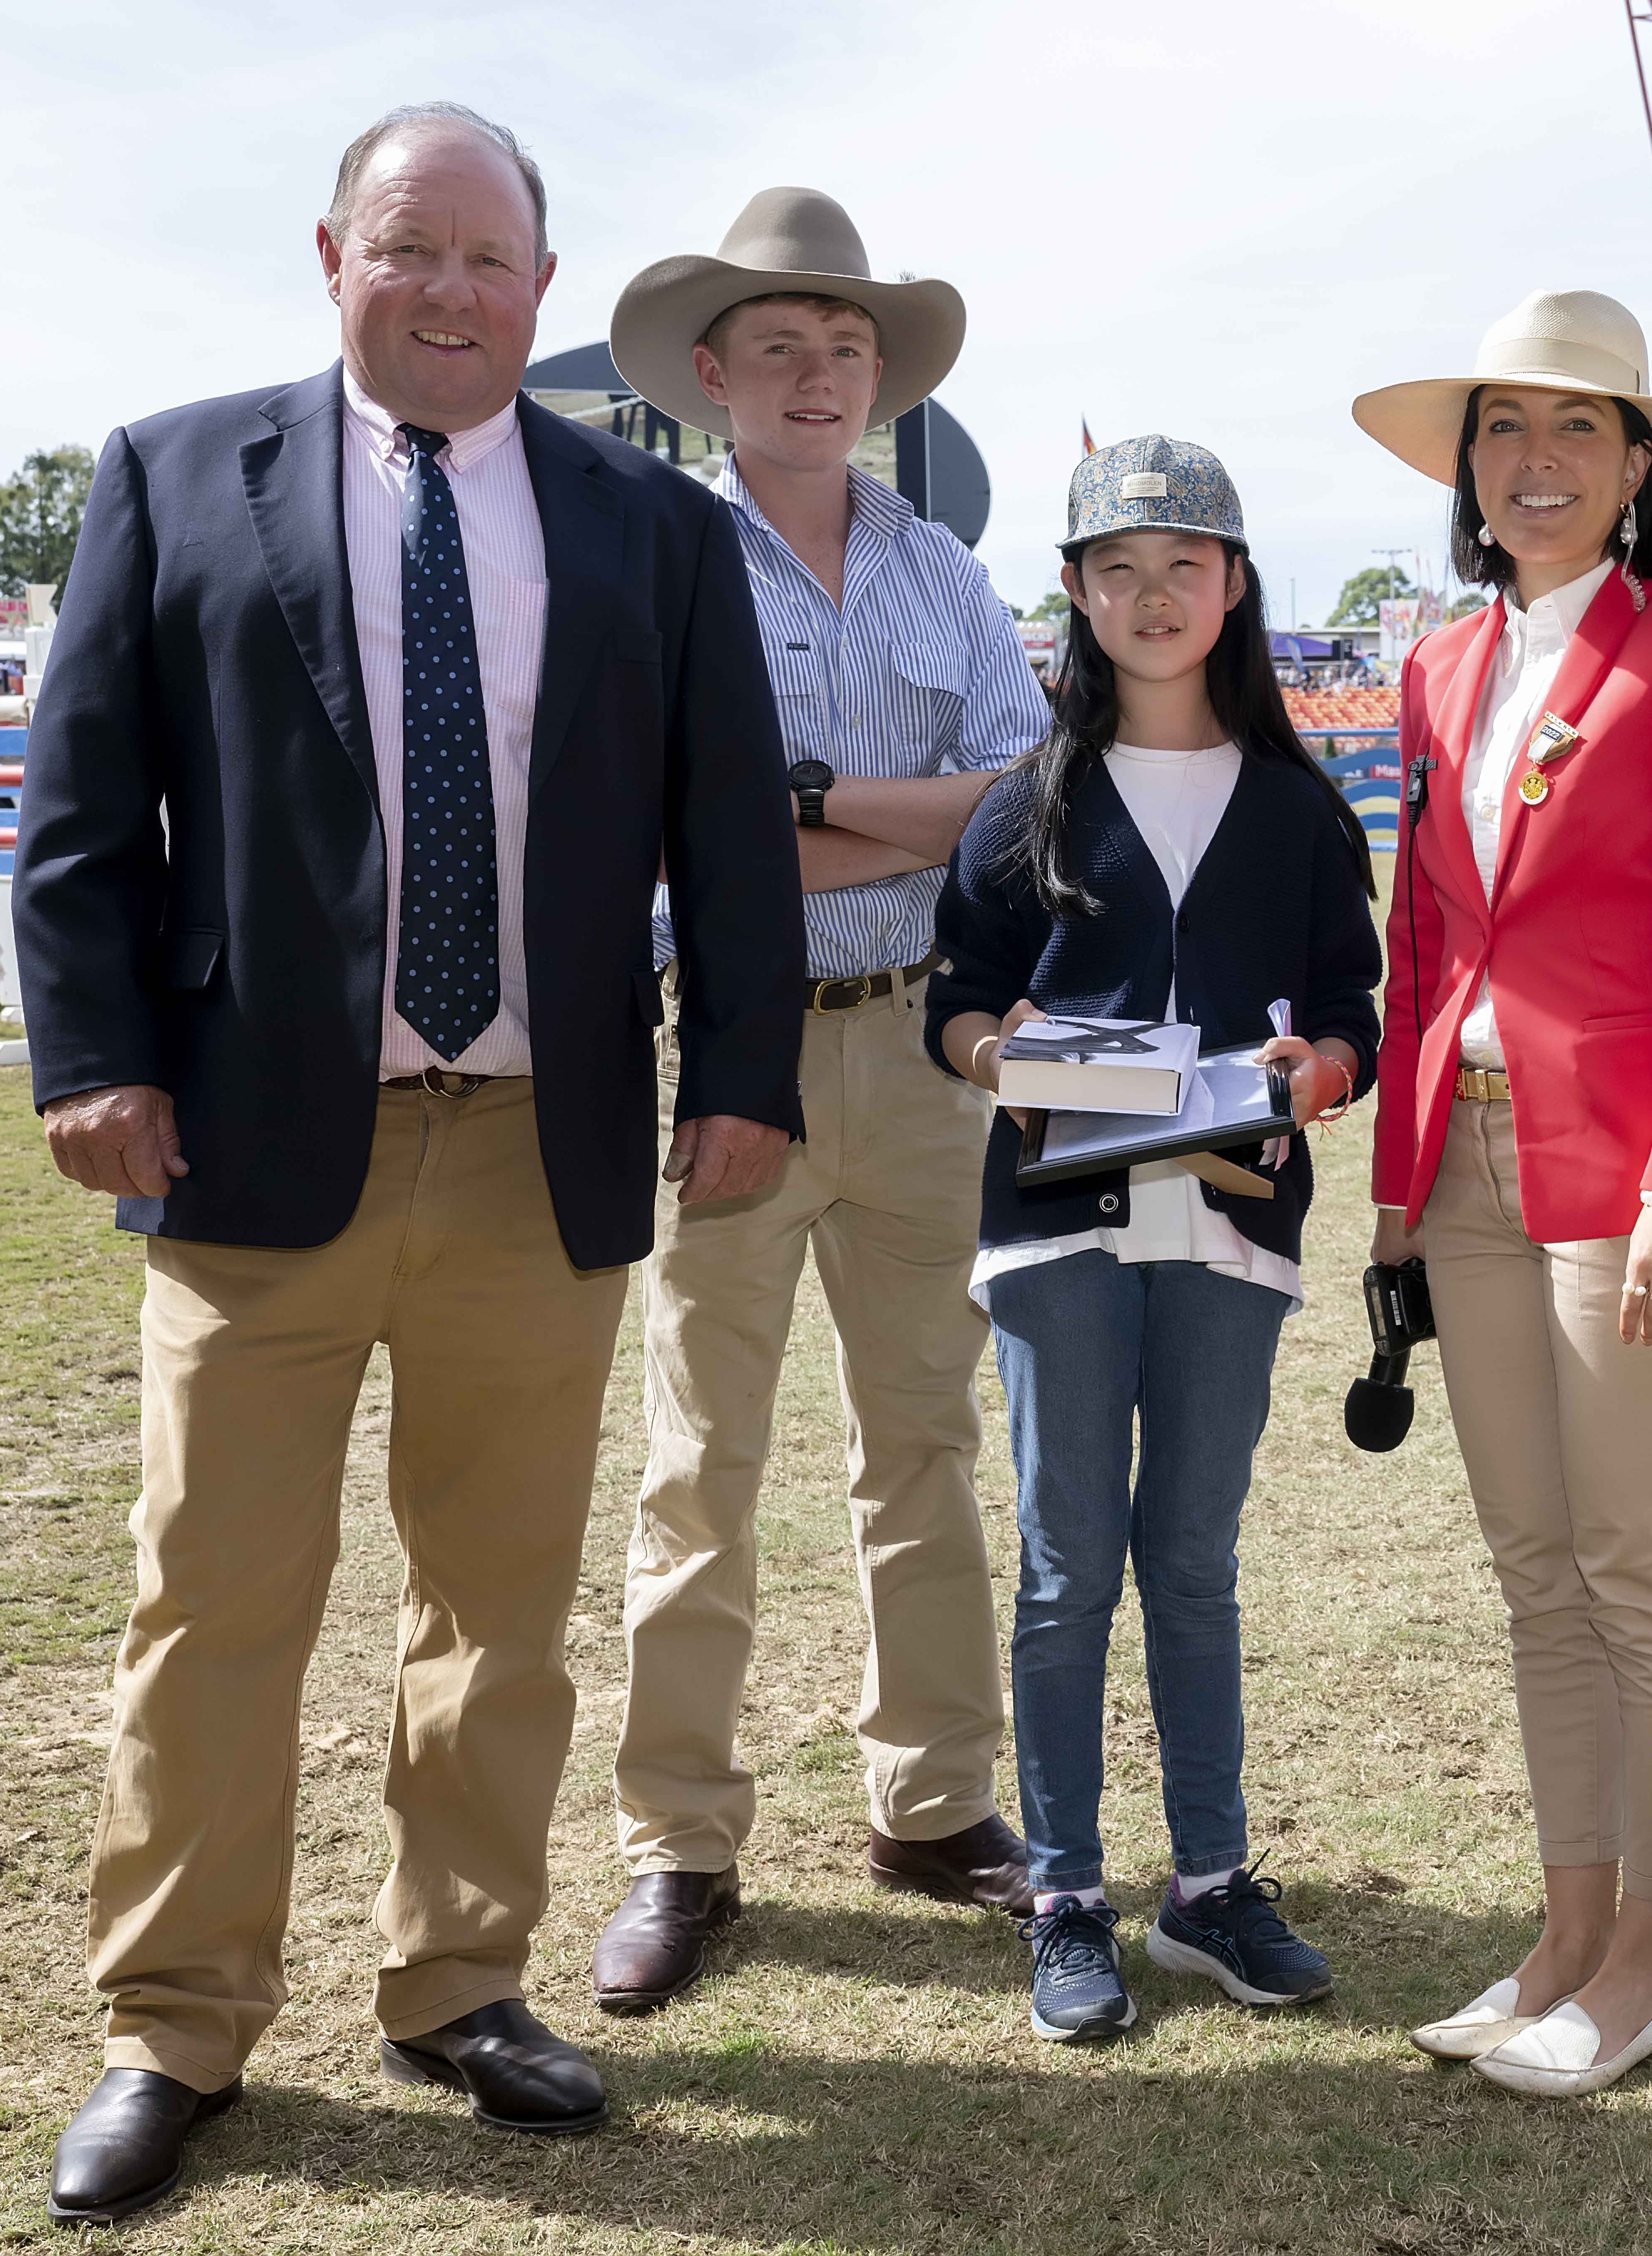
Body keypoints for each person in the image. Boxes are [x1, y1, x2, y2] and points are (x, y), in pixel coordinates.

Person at [11, 104, 804, 2223]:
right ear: (334, 259)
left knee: (500, 1609)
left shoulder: (648, 526)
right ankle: (173, 2023)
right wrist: (87, 1057)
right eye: (407, 249)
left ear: (544, 289)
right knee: (214, 1609)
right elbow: (82, 810)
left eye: (486, 259)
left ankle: (458, 1982)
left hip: (535, 1153)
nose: (447, 291)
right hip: (255, 1153)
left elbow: (728, 839)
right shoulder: (176, 476)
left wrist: (746, 1074)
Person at [585, 188, 1053, 2012]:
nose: (813, 374)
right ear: (712, 377)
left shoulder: (940, 566)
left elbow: (1025, 801)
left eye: (842, 346)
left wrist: (778, 808)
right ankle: (678, 1842)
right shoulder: (655, 558)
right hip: (738, 1043)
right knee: (702, 1460)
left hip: (929, 1044)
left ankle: (931, 1803)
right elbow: (640, 818)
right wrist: (877, 808)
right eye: (777, 346)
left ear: (880, 376)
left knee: (922, 1443)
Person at [1351, 291, 1652, 2097]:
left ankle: (1646, 1958)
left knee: (1636, 1568)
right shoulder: (1438, 668)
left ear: (1633, 473)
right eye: (1502, 431)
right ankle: (1559, 1928)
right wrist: (1389, 1186)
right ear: (1468, 470)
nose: (1534, 463)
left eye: (1575, 431)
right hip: (1461, 1159)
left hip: (1630, 1171)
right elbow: (1424, 940)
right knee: (1538, 1574)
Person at [926, 437, 1380, 2043]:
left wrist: (1317, 1072)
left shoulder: (1300, 811)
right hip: (1057, 1226)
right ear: (1074, 596)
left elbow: (1349, 1013)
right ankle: (1066, 1892)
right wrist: (1009, 1057)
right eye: (1117, 568)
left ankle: (1206, 1885)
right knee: (1067, 1568)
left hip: (1234, 1220)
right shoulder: (1023, 804)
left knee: (1191, 1559)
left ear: (1236, 586)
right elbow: (955, 1007)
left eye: (1185, 564)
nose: (1153, 594)